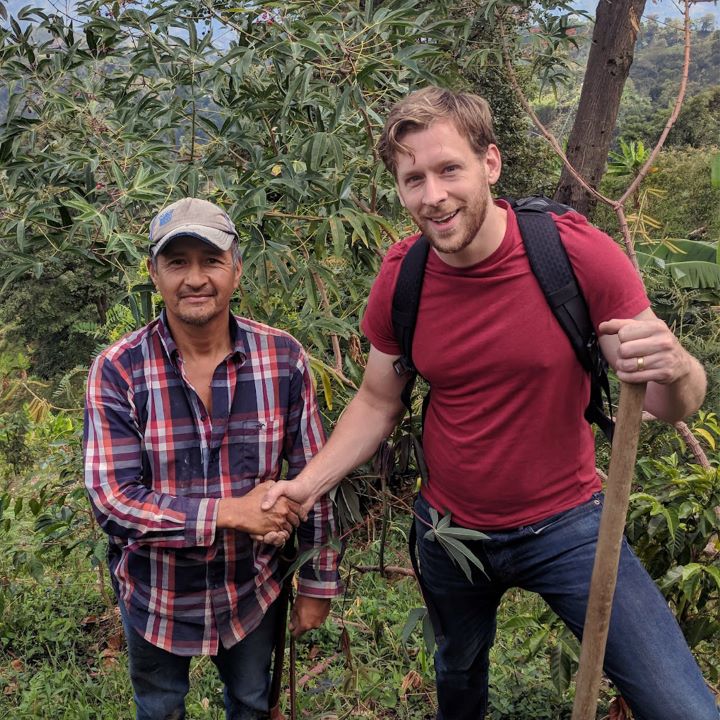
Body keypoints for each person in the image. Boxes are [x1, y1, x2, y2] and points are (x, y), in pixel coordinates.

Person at [259, 87, 719, 719]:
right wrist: (306, 486)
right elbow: (375, 399)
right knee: (458, 675)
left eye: (448, 169)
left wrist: (679, 365)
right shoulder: (404, 277)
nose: (433, 196)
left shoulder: (574, 253)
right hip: (450, 528)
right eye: (412, 178)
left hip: (570, 525)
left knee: (681, 707)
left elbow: (672, 404)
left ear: (491, 164)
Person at [84, 198, 342, 720]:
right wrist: (232, 512)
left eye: (211, 260)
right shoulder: (119, 370)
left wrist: (318, 584)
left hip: (251, 589)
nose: (195, 278)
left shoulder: (283, 358)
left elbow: (314, 478)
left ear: (237, 269)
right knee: (160, 709)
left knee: (250, 702)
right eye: (177, 262)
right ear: (154, 273)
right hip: (155, 594)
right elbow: (112, 501)